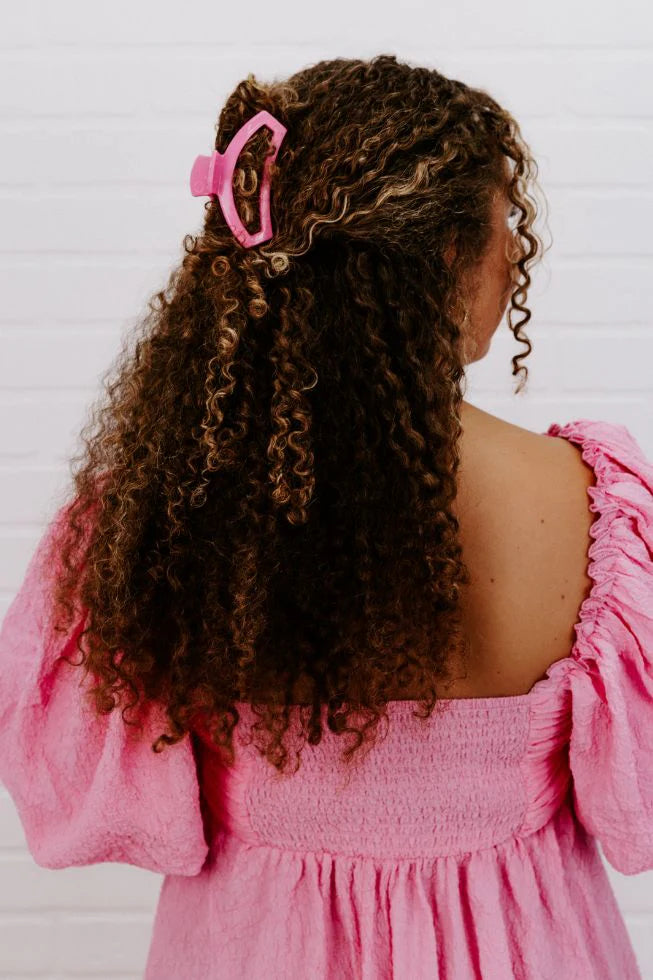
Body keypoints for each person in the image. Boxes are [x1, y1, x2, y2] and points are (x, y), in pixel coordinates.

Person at [1, 53, 652, 980]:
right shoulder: (593, 507)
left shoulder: (162, 521)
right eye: (505, 219)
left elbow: (97, 799)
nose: (516, 252)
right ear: (442, 257)